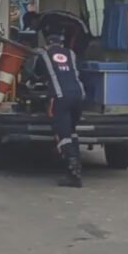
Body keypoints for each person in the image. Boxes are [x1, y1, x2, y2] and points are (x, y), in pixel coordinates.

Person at [23, 24, 86, 188]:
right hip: (79, 96)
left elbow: (34, 75)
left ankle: (73, 175)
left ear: (47, 41)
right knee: (72, 132)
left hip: (60, 97)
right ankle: (77, 166)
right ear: (62, 41)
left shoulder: (43, 54)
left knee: (63, 134)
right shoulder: (71, 53)